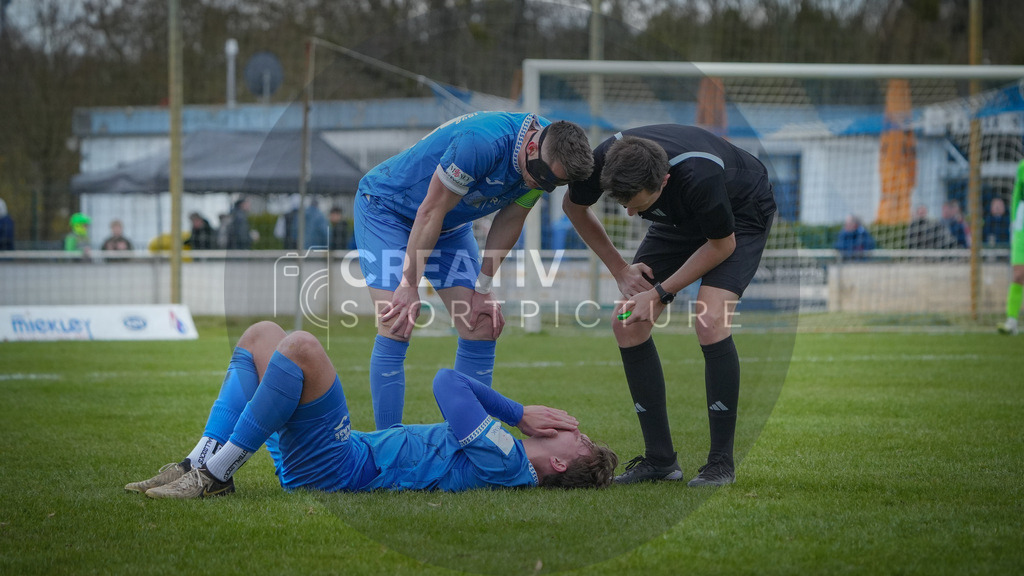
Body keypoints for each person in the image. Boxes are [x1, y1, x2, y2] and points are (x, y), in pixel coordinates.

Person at [124, 321, 617, 498]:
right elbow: (452, 385)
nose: (576, 428)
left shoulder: (508, 459)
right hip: (342, 456)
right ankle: (200, 462)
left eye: (582, 440)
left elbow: (447, 383)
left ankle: (216, 474)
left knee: (300, 347)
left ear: (558, 462)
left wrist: (519, 411)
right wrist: (518, 413)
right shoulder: (507, 456)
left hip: (337, 466)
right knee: (262, 337)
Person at [563, 125, 776, 487]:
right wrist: (620, 270)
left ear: (663, 181)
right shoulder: (603, 160)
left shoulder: (700, 174)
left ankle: (720, 463)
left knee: (710, 319)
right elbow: (574, 206)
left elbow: (721, 246)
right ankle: (660, 461)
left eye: (636, 204)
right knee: (626, 322)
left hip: (738, 214)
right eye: (622, 203)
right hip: (676, 218)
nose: (630, 214)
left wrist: (659, 292)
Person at [355, 111, 593, 430]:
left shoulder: (548, 159)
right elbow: (429, 211)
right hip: (387, 210)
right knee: (397, 318)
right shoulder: (481, 143)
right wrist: (409, 284)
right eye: (539, 174)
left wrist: (482, 289)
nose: (539, 183)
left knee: (481, 322)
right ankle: (387, 445)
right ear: (533, 147)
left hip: (448, 223)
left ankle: (464, 442)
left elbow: (511, 220)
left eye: (552, 184)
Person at [998, 159, 1024, 335]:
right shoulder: (1022, 166)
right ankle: (1012, 321)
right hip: (1022, 223)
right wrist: (1014, 221)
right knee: (1018, 273)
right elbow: (1017, 193)